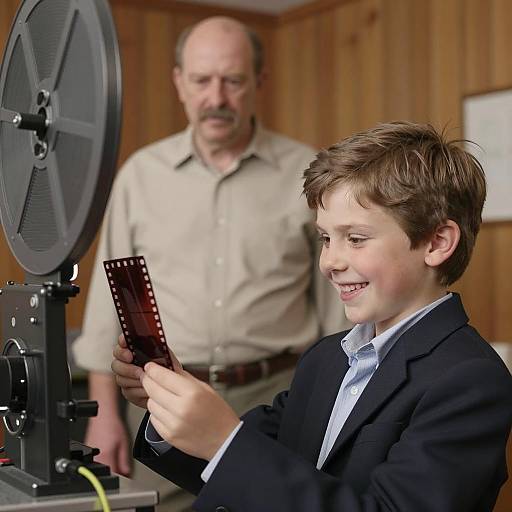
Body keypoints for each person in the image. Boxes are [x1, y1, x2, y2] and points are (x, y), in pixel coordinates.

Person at [112, 121, 512, 512]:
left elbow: (235, 452)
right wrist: (172, 405)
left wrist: (223, 440)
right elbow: (249, 465)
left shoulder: (471, 381)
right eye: (325, 238)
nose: (329, 262)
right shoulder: (326, 358)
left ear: (437, 242)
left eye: (355, 239)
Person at [72, 16, 349, 511]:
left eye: (233, 80)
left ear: (259, 82)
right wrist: (105, 414)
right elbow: (107, 301)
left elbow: (337, 304)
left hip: (282, 397)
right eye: (201, 80)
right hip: (167, 399)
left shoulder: (310, 174)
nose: (216, 97)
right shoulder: (140, 176)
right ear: (179, 81)